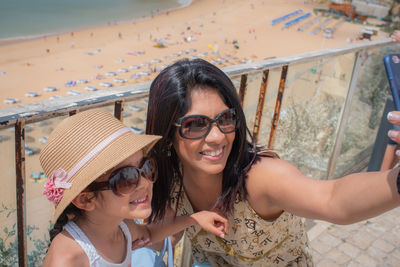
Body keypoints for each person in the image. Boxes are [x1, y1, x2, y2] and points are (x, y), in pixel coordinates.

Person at [145, 58, 400, 266]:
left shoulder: (260, 177)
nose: (217, 136)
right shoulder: (171, 178)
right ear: (167, 136)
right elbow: (158, 236)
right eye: (195, 125)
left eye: (225, 118)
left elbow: (332, 198)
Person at [40, 109, 228, 267]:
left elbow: (149, 232)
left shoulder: (122, 227)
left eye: (146, 167)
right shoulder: (68, 259)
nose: (145, 182)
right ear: (86, 199)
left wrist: (195, 218)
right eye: (126, 178)